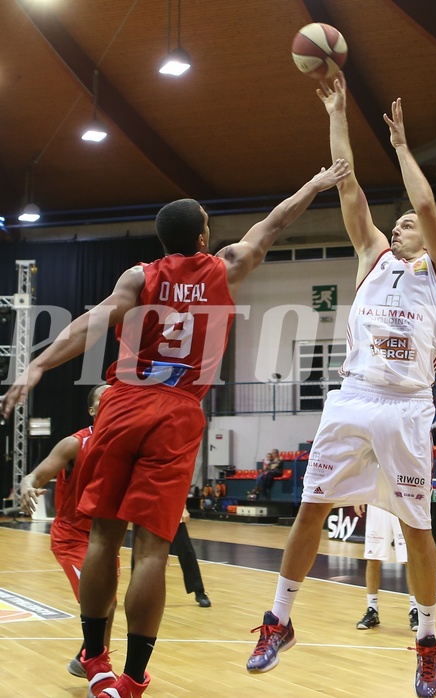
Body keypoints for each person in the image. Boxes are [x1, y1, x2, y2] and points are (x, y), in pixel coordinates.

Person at [1, 159, 350, 698]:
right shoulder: (225, 266)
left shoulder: (138, 277)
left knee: (102, 537)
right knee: (151, 552)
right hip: (178, 412)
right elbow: (274, 225)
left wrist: (38, 365)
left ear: (164, 241)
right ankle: (134, 679)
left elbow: (94, 321)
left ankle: (94, 659)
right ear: (204, 235)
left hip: (123, 404)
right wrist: (315, 183)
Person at [246, 73, 436, 698]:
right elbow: (347, 181)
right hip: (354, 398)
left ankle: (426, 642)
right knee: (311, 508)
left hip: (407, 408)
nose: (398, 230)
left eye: (406, 229)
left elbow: (425, 207)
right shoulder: (370, 257)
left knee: (417, 532)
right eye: (393, 228)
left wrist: (400, 146)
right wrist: (338, 113)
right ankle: (278, 620)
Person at [18, 384, 117, 679]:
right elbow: (38, 474)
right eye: (105, 397)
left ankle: (90, 657)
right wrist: (26, 486)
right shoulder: (75, 443)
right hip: (73, 535)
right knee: (103, 601)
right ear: (92, 410)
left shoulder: (124, 445)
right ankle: (98, 668)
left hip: (106, 535)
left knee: (109, 601)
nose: (113, 400)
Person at [353, 504, 418, 632]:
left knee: (408, 558)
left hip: (401, 499)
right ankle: (372, 610)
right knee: (373, 556)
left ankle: (415, 610)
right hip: (377, 502)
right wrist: (359, 498)